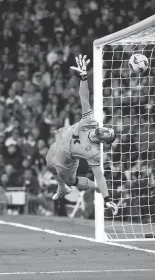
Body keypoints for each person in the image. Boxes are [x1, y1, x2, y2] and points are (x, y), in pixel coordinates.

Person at [45, 54, 118, 215]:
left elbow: (99, 175)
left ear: (104, 141)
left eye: (108, 135)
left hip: (67, 163)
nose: (105, 131)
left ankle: (91, 188)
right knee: (48, 162)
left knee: (71, 180)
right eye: (108, 129)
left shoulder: (93, 152)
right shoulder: (90, 122)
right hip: (60, 142)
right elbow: (84, 98)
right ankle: (61, 187)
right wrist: (84, 76)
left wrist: (107, 199)